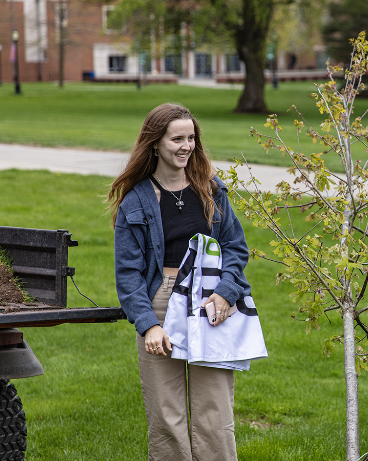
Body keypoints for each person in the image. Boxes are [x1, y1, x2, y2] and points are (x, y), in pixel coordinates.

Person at [108, 103, 249, 461]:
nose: (186, 146)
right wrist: (148, 325)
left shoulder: (211, 190)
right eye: (177, 139)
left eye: (191, 138)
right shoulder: (136, 201)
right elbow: (128, 274)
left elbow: (234, 246)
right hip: (162, 301)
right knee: (166, 413)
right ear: (155, 143)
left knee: (215, 410)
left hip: (210, 301)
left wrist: (226, 293)